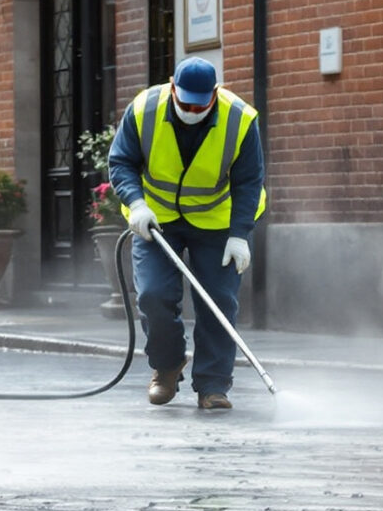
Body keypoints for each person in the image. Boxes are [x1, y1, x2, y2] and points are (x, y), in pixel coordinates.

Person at [108, 56, 266, 412]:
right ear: (172, 87)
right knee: (152, 295)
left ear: (215, 93)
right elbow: (121, 162)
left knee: (218, 303)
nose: (192, 110)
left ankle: (213, 385)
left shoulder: (240, 119)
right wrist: (136, 203)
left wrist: (240, 234)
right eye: (184, 102)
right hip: (157, 219)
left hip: (217, 223)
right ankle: (167, 366)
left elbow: (249, 181)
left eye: (200, 103)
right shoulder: (144, 110)